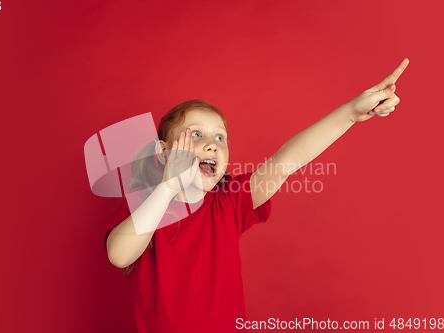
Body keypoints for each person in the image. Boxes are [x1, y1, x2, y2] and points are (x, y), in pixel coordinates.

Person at [104, 58, 409, 333]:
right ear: (163, 152)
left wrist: (350, 114)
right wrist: (168, 186)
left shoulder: (229, 201)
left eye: (220, 137)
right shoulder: (147, 205)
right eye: (196, 134)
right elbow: (119, 255)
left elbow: (286, 161)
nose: (212, 144)